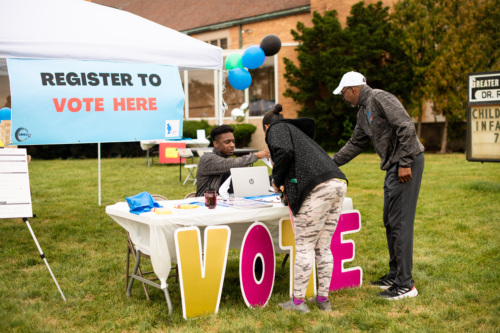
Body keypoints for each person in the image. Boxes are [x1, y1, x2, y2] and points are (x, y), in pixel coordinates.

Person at [332, 71, 425, 300]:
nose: (343, 97)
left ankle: (405, 285)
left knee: (400, 223)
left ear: (354, 89)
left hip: (406, 163)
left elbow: (406, 126)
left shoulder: (380, 98)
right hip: (394, 166)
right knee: (389, 220)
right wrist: (329, 163)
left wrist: (405, 163)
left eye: (343, 92)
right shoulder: (364, 111)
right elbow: (356, 143)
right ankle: (395, 275)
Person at [263, 104, 347, 313]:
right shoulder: (297, 132)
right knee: (324, 246)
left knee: (304, 246)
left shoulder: (276, 128)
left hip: (316, 188)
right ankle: (323, 300)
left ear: (266, 127)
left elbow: (284, 151)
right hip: (338, 183)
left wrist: (276, 179)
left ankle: (298, 303)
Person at [195, 124, 270, 197]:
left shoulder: (228, 159)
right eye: (227, 142)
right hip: (206, 204)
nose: (232, 145)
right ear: (215, 144)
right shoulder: (207, 159)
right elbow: (229, 164)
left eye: (233, 141)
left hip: (228, 203)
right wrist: (255, 156)